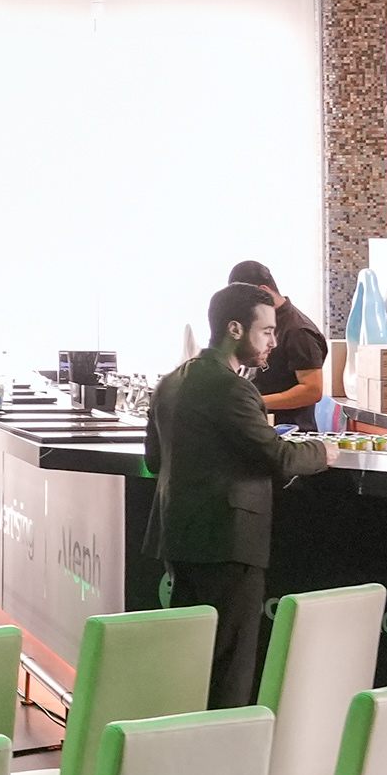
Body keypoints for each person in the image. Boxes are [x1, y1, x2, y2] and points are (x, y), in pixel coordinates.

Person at [147, 281, 331, 708]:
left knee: (189, 661)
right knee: (230, 667)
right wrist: (323, 452)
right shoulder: (233, 388)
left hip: (178, 538)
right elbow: (279, 457)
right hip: (227, 541)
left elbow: (154, 461)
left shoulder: (171, 381)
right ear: (235, 329)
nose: (273, 341)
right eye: (266, 331)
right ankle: (224, 745)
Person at [227, 259, 329, 417]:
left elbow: (312, 391)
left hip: (288, 427)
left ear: (264, 291)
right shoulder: (261, 322)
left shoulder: (298, 331)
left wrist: (255, 402)